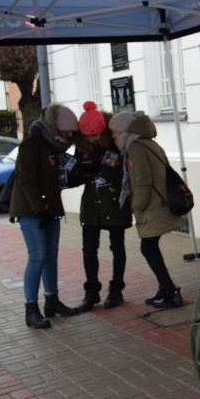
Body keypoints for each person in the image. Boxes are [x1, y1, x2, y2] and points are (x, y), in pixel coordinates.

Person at [9, 102, 81, 328]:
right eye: (67, 130)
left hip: (50, 209)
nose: (70, 134)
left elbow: (59, 179)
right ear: (55, 126)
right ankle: (31, 309)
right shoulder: (32, 145)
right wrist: (40, 210)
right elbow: (26, 181)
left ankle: (52, 301)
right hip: (31, 210)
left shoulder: (55, 147)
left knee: (51, 256)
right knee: (38, 256)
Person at [107, 110, 184, 308]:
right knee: (151, 248)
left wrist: (136, 207)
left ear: (125, 130)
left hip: (151, 207)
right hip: (157, 204)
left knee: (148, 248)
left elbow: (142, 181)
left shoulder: (137, 148)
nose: (113, 137)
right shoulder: (148, 143)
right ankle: (164, 288)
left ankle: (171, 292)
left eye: (115, 132)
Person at [71, 101, 132, 311]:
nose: (92, 140)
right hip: (91, 205)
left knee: (117, 247)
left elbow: (123, 176)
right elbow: (77, 175)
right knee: (89, 250)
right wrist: (78, 172)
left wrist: (102, 169)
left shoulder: (117, 144)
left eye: (95, 135)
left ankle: (116, 289)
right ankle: (91, 291)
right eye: (87, 136)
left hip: (115, 203)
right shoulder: (82, 148)